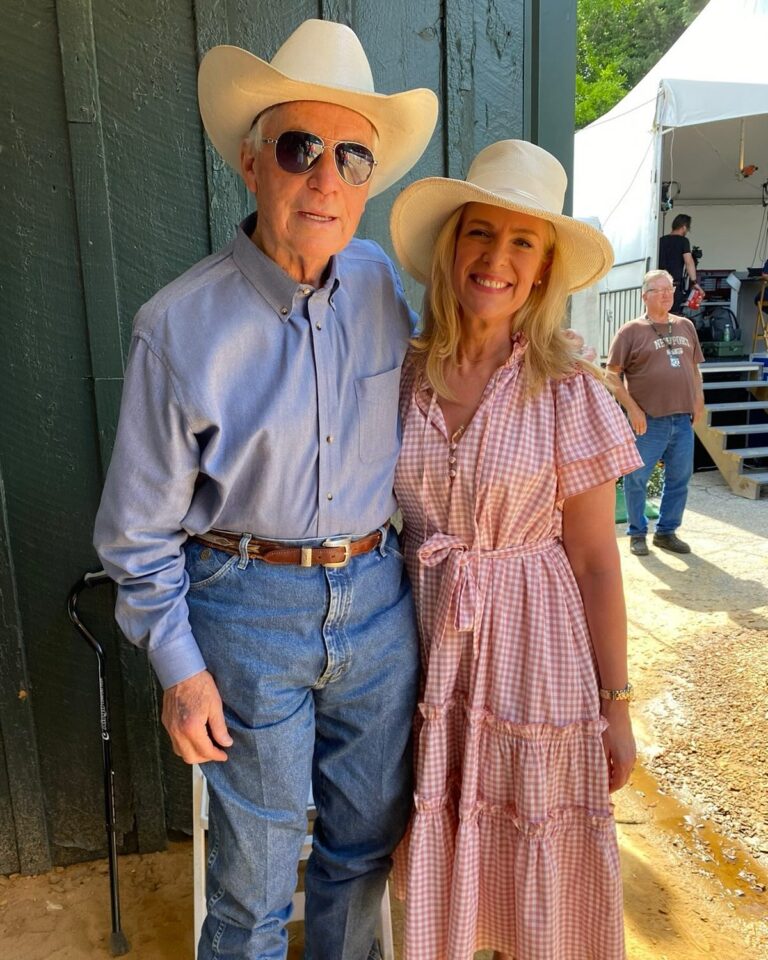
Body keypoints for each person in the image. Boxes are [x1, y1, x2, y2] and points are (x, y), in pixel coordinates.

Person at [93, 19, 438, 960]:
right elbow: (135, 533)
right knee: (252, 881)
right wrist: (178, 667)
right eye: (301, 148)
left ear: (371, 185)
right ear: (253, 165)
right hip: (244, 608)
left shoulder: (382, 289)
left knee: (363, 851)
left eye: (354, 157)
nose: (327, 178)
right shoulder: (178, 326)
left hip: (378, 600)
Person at [388, 140, 642, 960]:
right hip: (424, 646)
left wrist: (617, 705)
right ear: (451, 248)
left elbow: (598, 561)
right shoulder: (401, 373)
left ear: (542, 272)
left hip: (535, 653)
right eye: (480, 233)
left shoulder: (566, 386)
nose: (496, 258)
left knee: (532, 856)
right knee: (442, 835)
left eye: (522, 242)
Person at [606, 269, 705, 557]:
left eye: (670, 289)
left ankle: (667, 532)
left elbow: (695, 369)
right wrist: (632, 409)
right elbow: (612, 375)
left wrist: (699, 400)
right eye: (659, 290)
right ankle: (637, 533)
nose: (666, 294)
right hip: (648, 422)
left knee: (680, 478)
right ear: (644, 296)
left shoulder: (685, 325)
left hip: (682, 420)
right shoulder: (631, 331)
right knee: (637, 478)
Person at [658, 213, 702, 314]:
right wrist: (694, 282)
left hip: (659, 283)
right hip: (674, 284)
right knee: (673, 315)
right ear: (684, 227)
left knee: (659, 314)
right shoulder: (683, 241)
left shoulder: (661, 241)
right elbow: (688, 261)